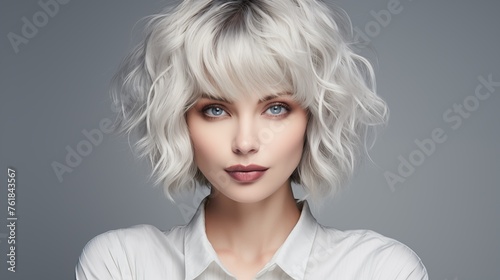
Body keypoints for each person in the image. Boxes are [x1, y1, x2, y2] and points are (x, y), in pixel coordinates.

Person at [75, 0, 428, 279]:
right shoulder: (122, 265)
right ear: (179, 120)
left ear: (315, 117)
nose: (245, 143)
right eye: (215, 110)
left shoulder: (379, 270)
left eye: (275, 108)